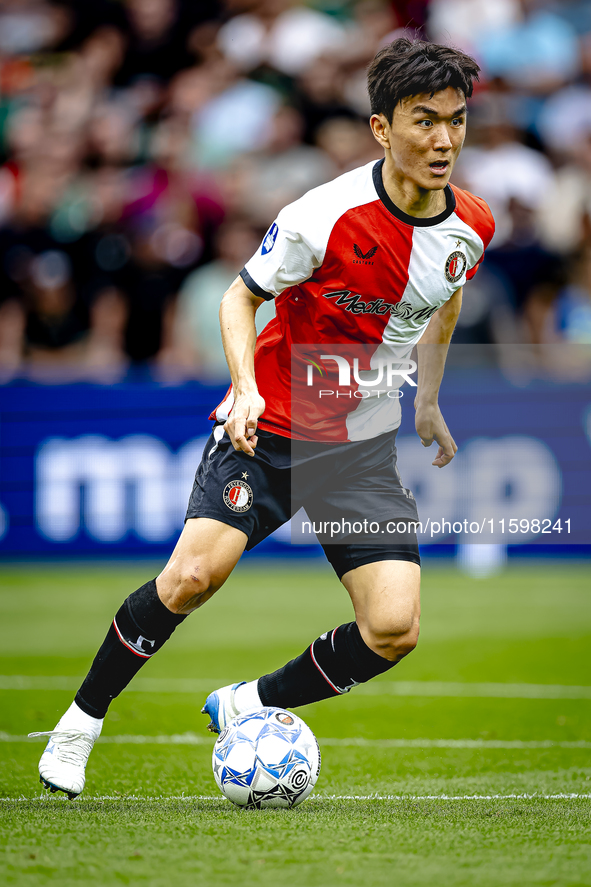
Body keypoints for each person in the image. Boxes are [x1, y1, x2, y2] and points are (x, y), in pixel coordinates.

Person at [31, 37, 494, 799]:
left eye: (456, 120)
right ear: (382, 130)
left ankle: (249, 702)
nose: (444, 139)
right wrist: (243, 387)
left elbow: (446, 300)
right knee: (189, 576)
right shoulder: (323, 215)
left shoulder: (468, 226)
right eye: (423, 121)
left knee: (393, 630)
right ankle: (81, 723)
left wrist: (430, 400)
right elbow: (238, 295)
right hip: (270, 426)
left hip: (360, 448)